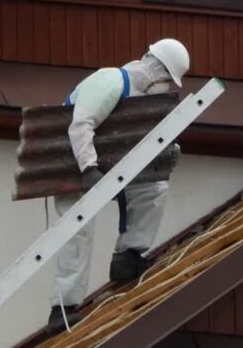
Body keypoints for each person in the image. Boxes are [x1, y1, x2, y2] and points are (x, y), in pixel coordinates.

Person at [46, 38, 190, 334]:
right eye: (166, 78)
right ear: (155, 69)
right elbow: (81, 123)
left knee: (153, 189)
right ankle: (63, 309)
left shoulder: (144, 100)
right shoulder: (111, 80)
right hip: (74, 167)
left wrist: (170, 151)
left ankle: (128, 257)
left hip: (112, 170)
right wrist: (88, 168)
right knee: (78, 230)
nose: (165, 85)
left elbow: (151, 137)